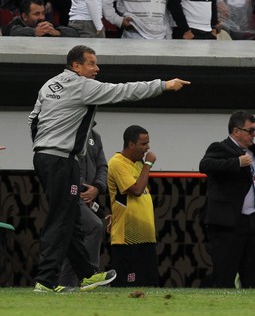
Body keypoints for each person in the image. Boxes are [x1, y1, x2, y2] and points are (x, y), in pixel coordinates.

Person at [28, 44, 190, 293]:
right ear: (76, 66)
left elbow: (33, 120)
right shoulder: (82, 86)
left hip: (44, 157)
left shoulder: (49, 85)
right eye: (91, 63)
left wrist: (43, 147)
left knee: (69, 218)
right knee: (60, 219)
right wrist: (163, 85)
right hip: (62, 160)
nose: (97, 68)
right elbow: (123, 91)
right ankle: (45, 281)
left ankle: (86, 275)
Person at [199, 110, 255, 288]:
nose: (254, 134)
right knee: (225, 273)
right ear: (236, 131)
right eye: (250, 131)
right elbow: (205, 165)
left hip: (253, 220)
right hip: (228, 222)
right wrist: (236, 163)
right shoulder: (220, 147)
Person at [108, 125, 158, 287]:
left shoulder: (137, 163)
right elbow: (136, 190)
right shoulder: (117, 163)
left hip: (146, 237)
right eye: (143, 144)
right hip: (127, 241)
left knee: (150, 286)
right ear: (131, 145)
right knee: (128, 288)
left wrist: (144, 164)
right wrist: (148, 164)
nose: (148, 148)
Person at [59, 128, 107, 287]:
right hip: (71, 194)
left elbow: (102, 167)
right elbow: (66, 163)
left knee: (75, 240)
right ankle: (91, 277)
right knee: (95, 226)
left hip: (89, 195)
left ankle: (67, 284)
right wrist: (82, 188)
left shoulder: (95, 136)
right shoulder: (69, 130)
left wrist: (97, 188)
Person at [2, 0, 79, 36]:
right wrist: (35, 32)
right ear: (24, 16)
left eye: (43, 13)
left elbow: (74, 33)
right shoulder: (13, 25)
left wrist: (57, 32)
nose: (41, 17)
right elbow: (11, 32)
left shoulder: (45, 24)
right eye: (36, 14)